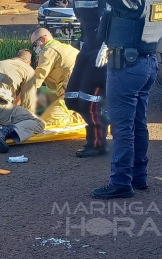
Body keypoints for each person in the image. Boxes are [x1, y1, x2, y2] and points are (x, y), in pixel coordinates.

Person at [92, 0, 162, 199]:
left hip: (127, 68)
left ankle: (120, 182)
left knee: (122, 127)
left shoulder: (134, 2)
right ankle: (138, 176)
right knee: (138, 124)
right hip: (147, 63)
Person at [0, 49, 46, 153]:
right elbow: (29, 102)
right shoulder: (28, 70)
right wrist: (27, 118)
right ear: (29, 62)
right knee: (38, 123)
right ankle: (1, 132)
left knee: (7, 111)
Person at [64, 0, 109, 158]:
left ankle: (97, 143)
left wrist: (106, 46)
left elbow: (114, 18)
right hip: (86, 50)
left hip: (101, 51)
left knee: (88, 101)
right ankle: (106, 115)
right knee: (72, 98)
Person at [30, 28, 83, 126]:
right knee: (41, 96)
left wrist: (20, 99)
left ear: (43, 39)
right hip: (79, 92)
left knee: (44, 122)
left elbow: (36, 79)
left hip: (70, 95)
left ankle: (81, 118)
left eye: (34, 45)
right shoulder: (67, 48)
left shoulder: (48, 51)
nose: (34, 49)